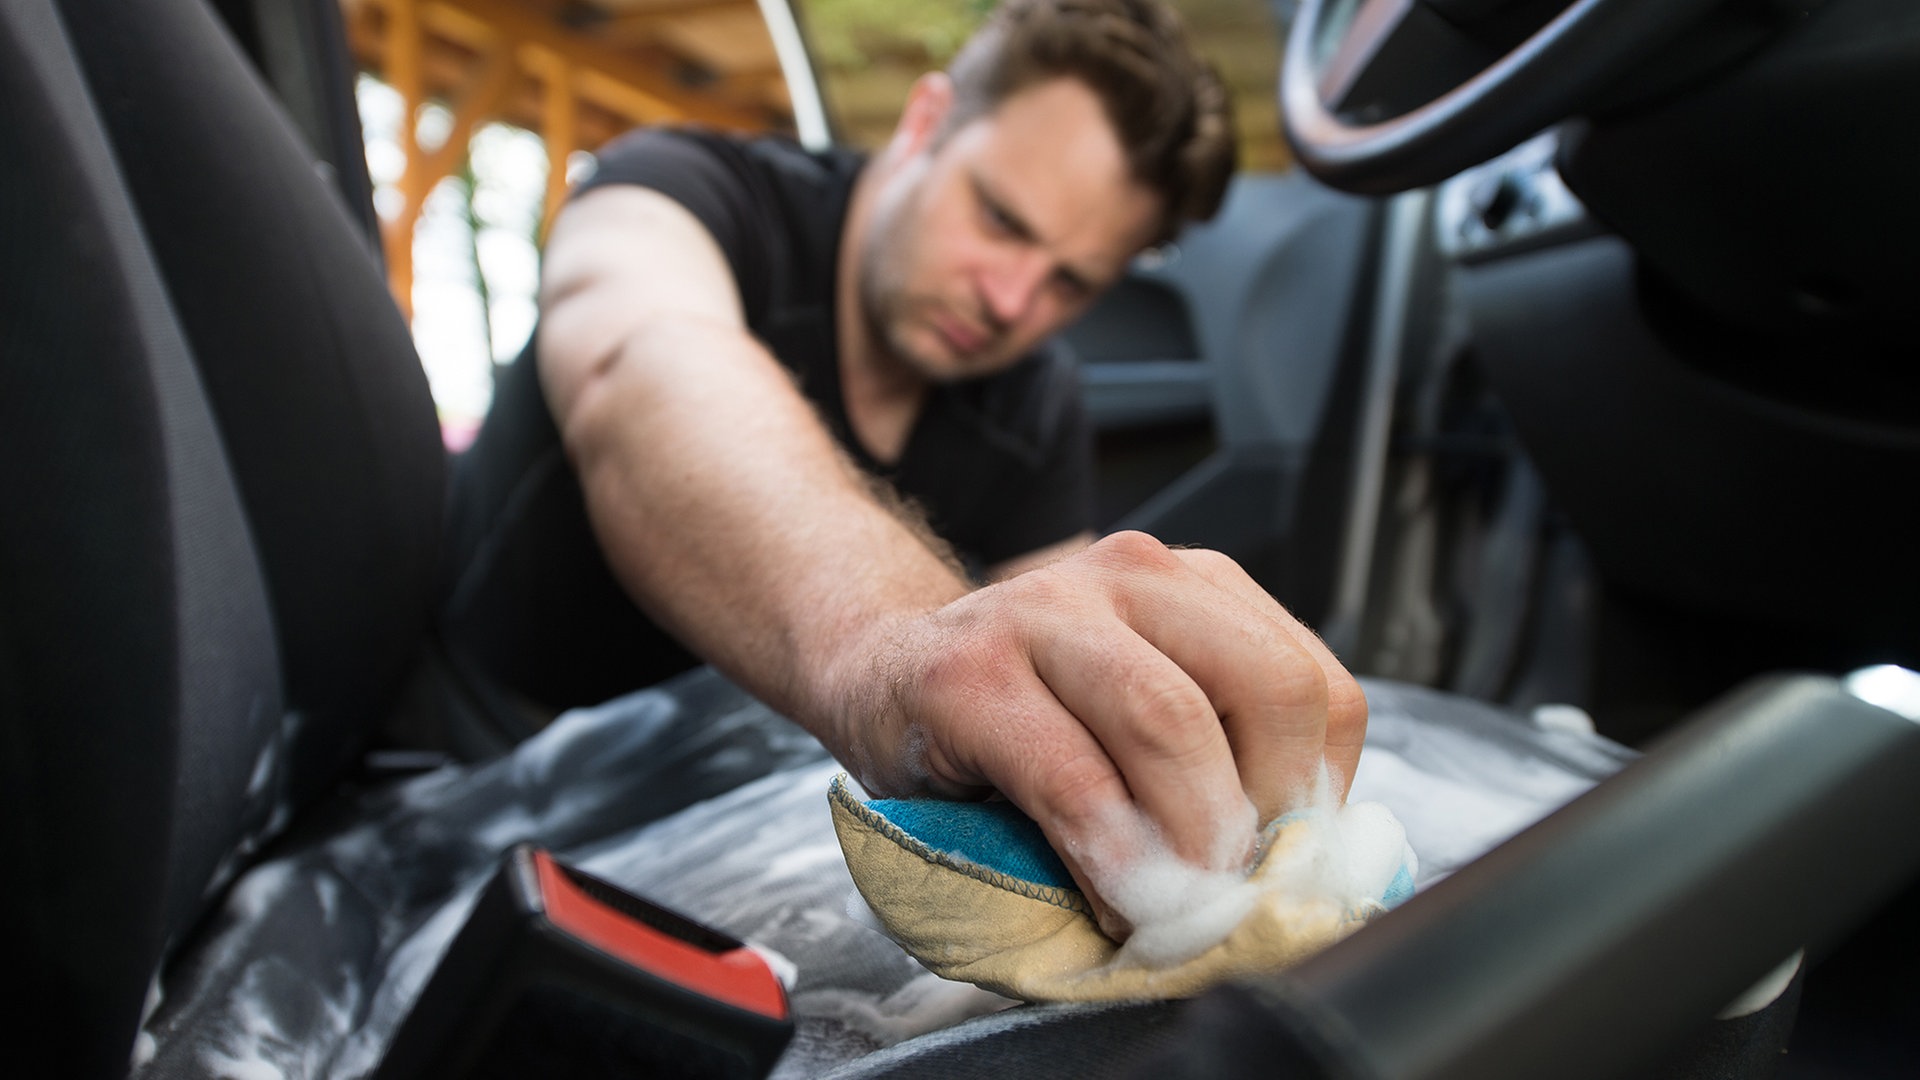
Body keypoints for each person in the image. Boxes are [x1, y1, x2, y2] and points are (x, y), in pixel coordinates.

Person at [441, 0, 1366, 937]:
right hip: (482, 762)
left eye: (1070, 283)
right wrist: (896, 655)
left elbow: (1056, 646)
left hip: (728, 797)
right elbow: (640, 367)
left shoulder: (1031, 396)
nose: (1011, 301)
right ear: (925, 122)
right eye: (1000, 218)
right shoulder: (681, 188)